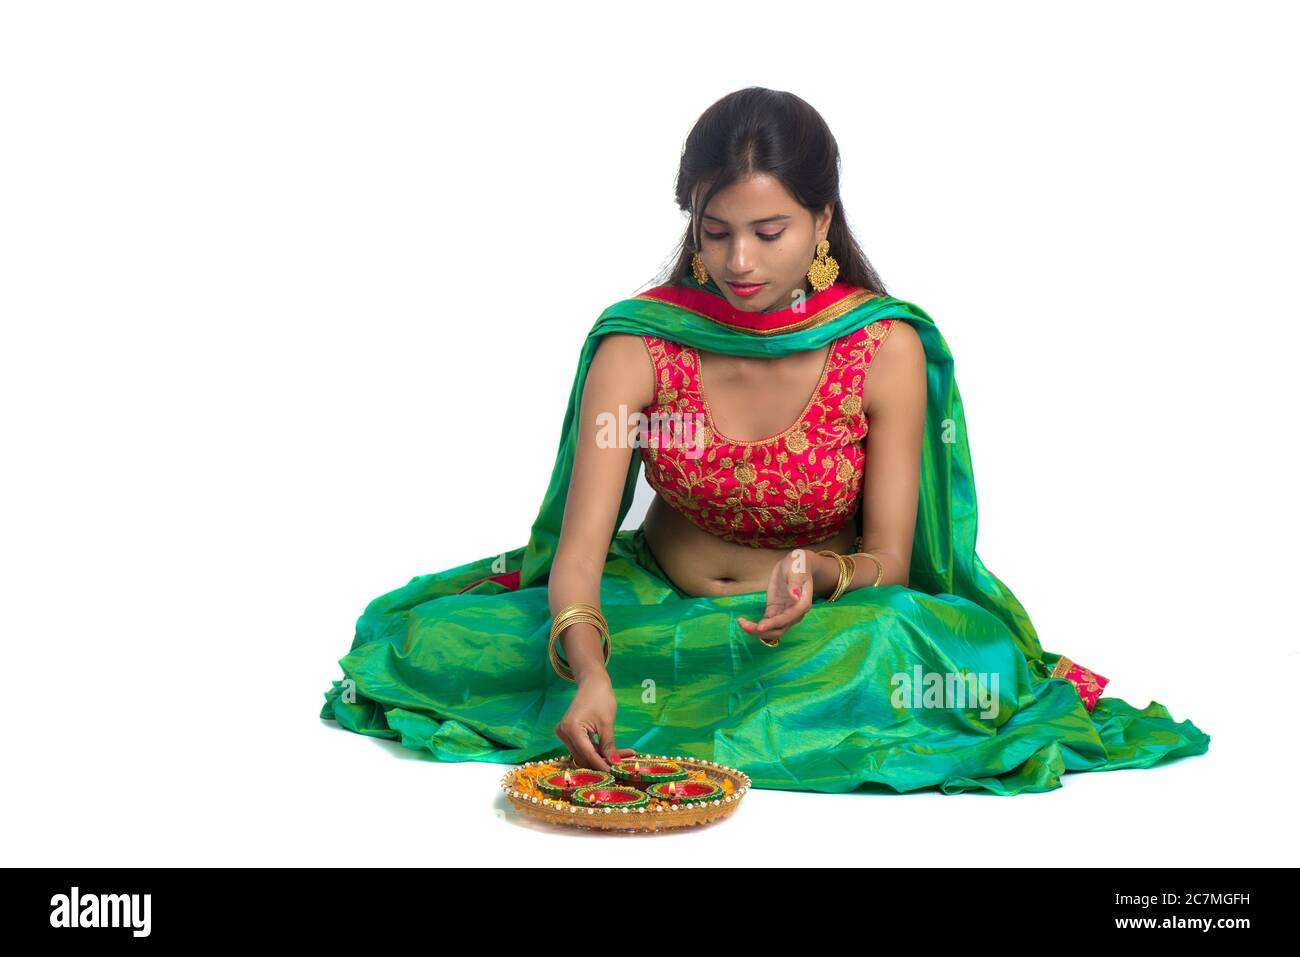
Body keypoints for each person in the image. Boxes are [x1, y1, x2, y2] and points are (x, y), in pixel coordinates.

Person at [319, 87, 1210, 795]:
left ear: (824, 223)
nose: (739, 262)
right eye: (715, 234)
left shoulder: (882, 348)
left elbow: (890, 560)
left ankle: (722, 704)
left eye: (768, 232)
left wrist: (823, 575)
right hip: (645, 611)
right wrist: (586, 665)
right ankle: (638, 698)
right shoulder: (642, 342)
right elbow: (580, 557)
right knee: (448, 645)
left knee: (912, 650)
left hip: (813, 631)